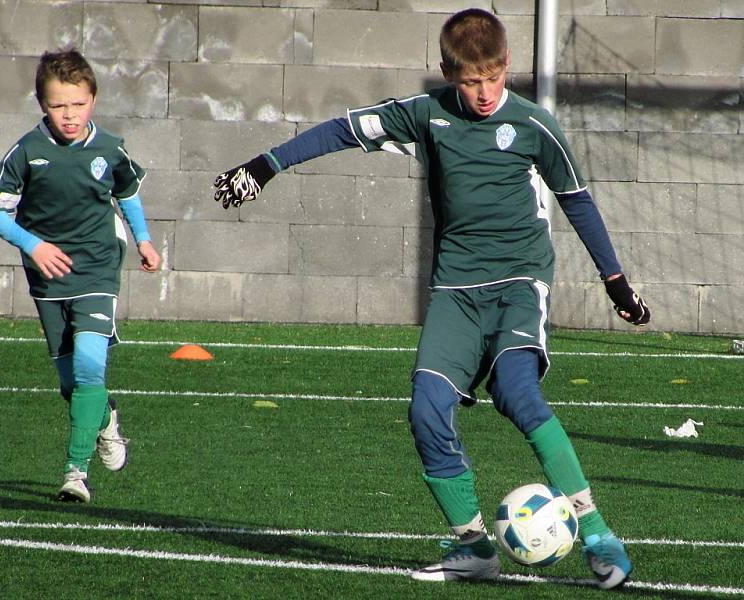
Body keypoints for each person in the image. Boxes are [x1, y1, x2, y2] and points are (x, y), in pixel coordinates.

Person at [213, 8, 649, 590]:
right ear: (448, 72)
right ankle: (473, 544)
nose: (485, 92)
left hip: (520, 282)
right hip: (455, 290)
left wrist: (614, 280)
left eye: (493, 78)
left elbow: (576, 198)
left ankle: (597, 534)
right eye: (471, 81)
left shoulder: (534, 126)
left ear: (506, 66)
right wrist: (267, 164)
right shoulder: (426, 115)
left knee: (517, 394)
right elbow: (345, 128)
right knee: (424, 409)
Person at [0, 49, 161, 503]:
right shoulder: (26, 152)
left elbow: (128, 191)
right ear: (43, 104)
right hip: (48, 278)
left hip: (99, 266)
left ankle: (75, 473)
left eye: (78, 104)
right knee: (70, 384)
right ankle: (105, 419)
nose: (69, 115)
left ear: (93, 101)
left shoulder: (109, 147)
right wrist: (34, 245)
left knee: (89, 364)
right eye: (59, 105)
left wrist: (143, 239)